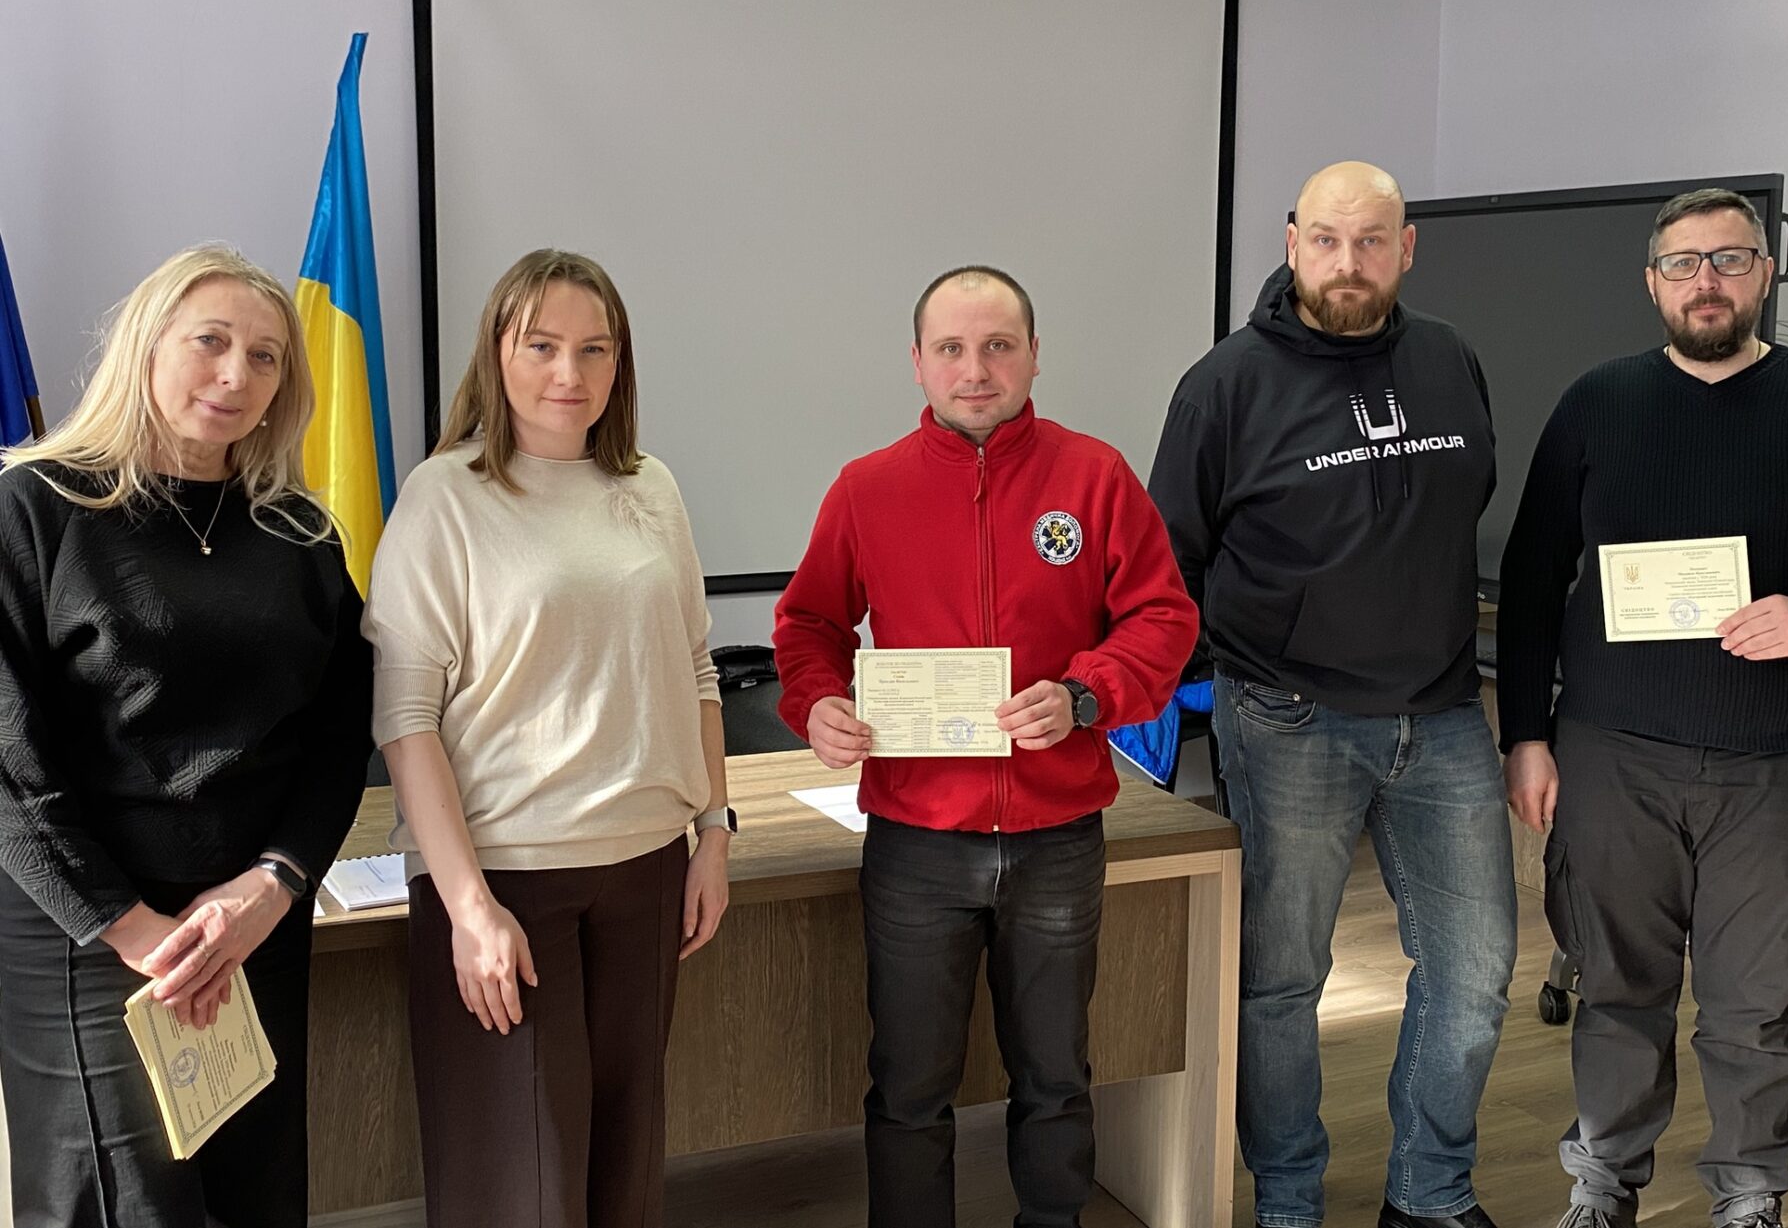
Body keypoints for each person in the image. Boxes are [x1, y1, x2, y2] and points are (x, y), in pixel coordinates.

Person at [1497, 188, 1788, 1228]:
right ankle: (1602, 1183)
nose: (1706, 280)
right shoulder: (1597, 402)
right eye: (1683, 263)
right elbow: (1534, 576)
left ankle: (1749, 1194)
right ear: (1652, 282)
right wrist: (1526, 735)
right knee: (1614, 987)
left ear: (1765, 271)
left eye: (1729, 258)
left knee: (1754, 1003)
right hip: (1612, 757)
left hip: (1779, 766)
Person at [773, 264, 1198, 1228]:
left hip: (1057, 837)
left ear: (1035, 356)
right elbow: (807, 625)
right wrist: (818, 701)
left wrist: (1086, 695)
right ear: (917, 362)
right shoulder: (867, 488)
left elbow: (1164, 616)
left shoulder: (1094, 476)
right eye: (953, 348)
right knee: (909, 1086)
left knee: (1055, 1075)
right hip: (916, 842)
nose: (976, 369)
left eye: (998, 346)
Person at [1149, 161, 1512, 1228]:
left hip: (1444, 714)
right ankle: (1289, 1196)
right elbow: (1169, 558)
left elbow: (1467, 501)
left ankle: (1430, 1193)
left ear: (1407, 248)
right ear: (1292, 241)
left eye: (1370, 241)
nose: (1346, 264)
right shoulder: (1224, 384)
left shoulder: (1450, 356)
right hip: (1289, 719)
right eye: (1325, 240)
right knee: (1281, 980)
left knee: (1475, 970)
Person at [0, 243, 372, 1227]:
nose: (235, 374)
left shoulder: (299, 533)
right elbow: (8, 764)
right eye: (210, 341)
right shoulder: (34, 508)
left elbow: (339, 737)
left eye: (264, 357)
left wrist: (274, 883)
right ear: (146, 344)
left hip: (250, 927)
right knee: (126, 1204)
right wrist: (138, 932)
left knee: (256, 1193)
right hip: (92, 939)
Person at [363, 249, 732, 1228]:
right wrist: (468, 908)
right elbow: (405, 720)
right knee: (522, 1188)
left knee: (624, 1173)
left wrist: (715, 832)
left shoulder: (651, 486)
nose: (570, 372)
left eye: (594, 349)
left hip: (648, 872)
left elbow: (696, 669)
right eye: (542, 346)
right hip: (506, 884)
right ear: (498, 351)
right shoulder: (444, 496)